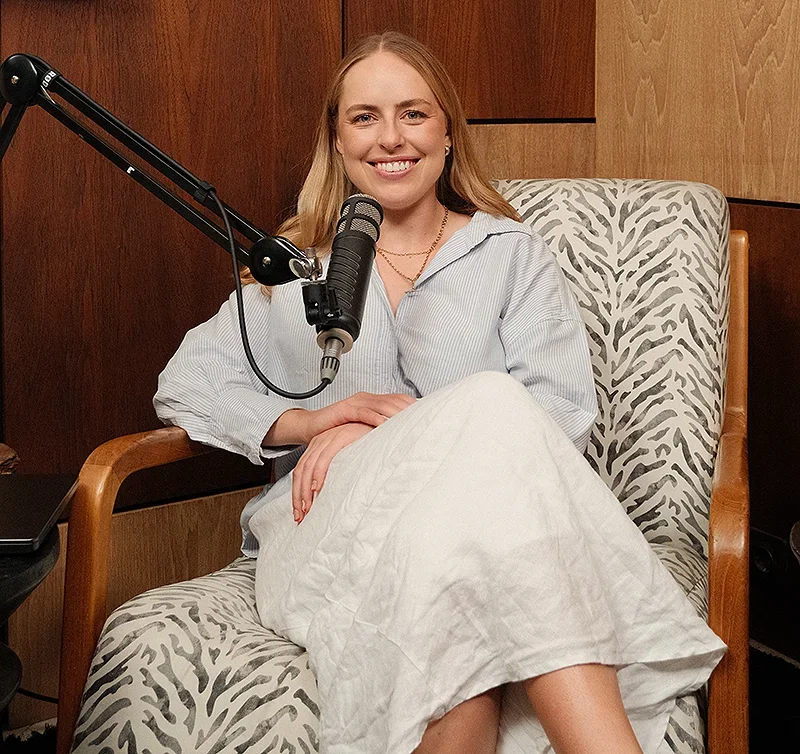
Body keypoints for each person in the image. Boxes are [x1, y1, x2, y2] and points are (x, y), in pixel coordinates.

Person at [154, 32, 725, 754]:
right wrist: (320, 420)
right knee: (487, 413)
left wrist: (405, 437)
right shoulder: (297, 269)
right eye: (364, 117)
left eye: (413, 114)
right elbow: (189, 384)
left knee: (477, 476)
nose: (390, 137)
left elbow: (557, 417)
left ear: (448, 133)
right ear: (336, 140)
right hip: (328, 531)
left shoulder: (510, 256)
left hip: (482, 529)